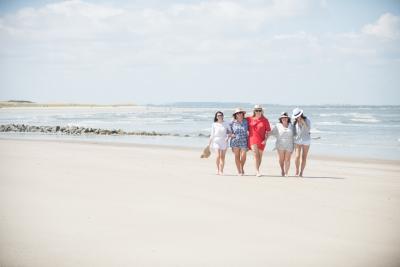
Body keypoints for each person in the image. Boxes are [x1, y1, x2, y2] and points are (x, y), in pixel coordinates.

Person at [247, 105, 271, 177]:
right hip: (252, 138)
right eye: (256, 110)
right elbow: (239, 118)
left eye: (259, 110)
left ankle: (257, 170)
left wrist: (266, 140)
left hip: (262, 140)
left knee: (260, 156)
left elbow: (268, 132)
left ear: (262, 111)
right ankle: (257, 171)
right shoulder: (249, 118)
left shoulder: (265, 120)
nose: (258, 112)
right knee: (256, 155)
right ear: (254, 111)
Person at [270, 112, 294, 177]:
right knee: (281, 159)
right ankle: (282, 170)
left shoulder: (291, 126)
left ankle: (286, 173)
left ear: (288, 118)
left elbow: (296, 134)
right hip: (280, 145)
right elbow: (271, 132)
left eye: (285, 117)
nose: (284, 119)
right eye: (283, 118)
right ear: (281, 119)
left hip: (289, 145)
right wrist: (265, 135)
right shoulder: (278, 125)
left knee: (287, 159)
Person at [208, 111, 231, 175]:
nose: (219, 116)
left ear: (222, 116)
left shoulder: (226, 123)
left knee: (222, 157)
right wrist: (209, 143)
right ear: (216, 117)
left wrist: (228, 137)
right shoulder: (214, 124)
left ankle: (221, 170)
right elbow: (212, 134)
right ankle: (217, 169)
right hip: (216, 141)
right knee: (218, 156)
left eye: (220, 115)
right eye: (218, 115)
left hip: (224, 141)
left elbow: (230, 132)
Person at [292, 108, 311, 177]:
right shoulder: (294, 123)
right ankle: (297, 170)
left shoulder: (307, 120)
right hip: (297, 141)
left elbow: (308, 130)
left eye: (298, 116)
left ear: (301, 114)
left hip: (306, 140)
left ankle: (301, 172)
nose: (297, 117)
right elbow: (294, 133)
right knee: (297, 156)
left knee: (304, 157)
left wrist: (303, 122)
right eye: (296, 116)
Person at [229, 108, 248, 176]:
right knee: (237, 156)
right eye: (237, 113)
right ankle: (239, 171)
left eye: (240, 113)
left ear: (243, 114)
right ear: (235, 115)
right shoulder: (232, 122)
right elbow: (227, 130)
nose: (239, 114)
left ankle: (241, 167)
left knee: (243, 155)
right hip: (235, 140)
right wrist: (231, 134)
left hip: (244, 140)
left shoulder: (246, 121)